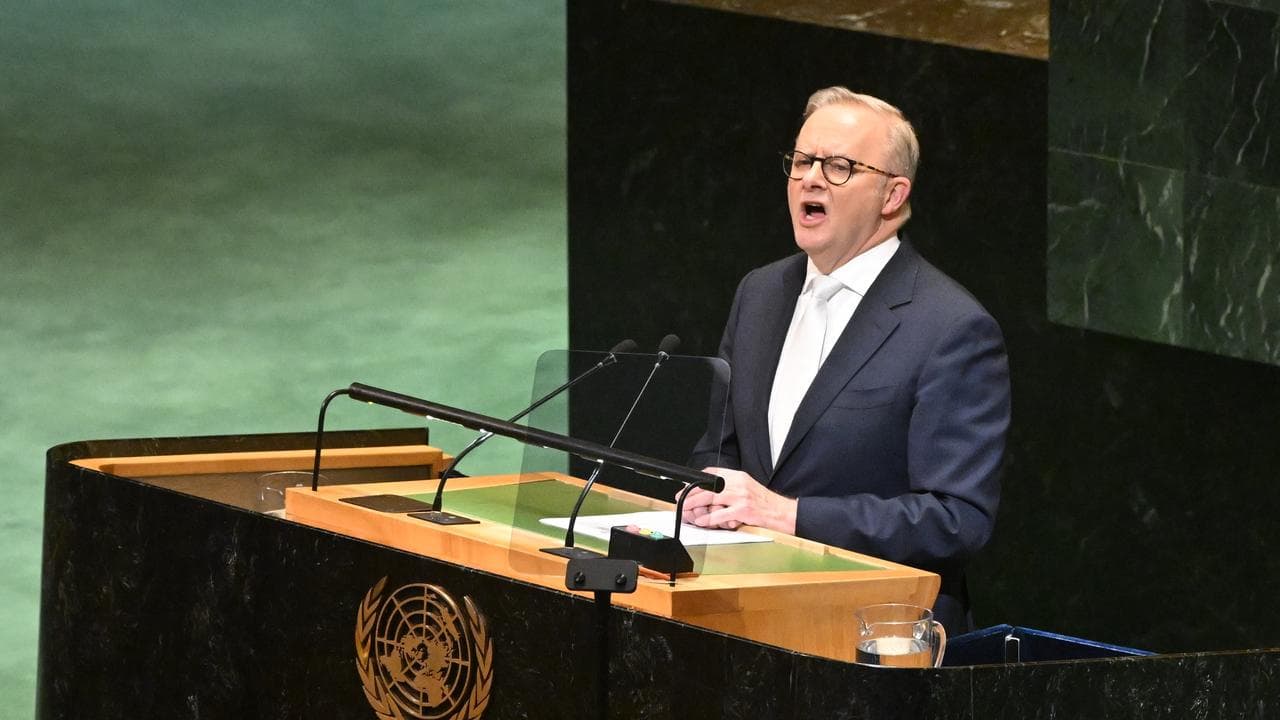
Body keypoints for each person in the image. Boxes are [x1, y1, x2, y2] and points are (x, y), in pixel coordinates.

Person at [683, 87, 1011, 634]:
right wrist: (704, 492)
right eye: (802, 161)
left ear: (892, 195)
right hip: (741, 615)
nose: (811, 179)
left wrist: (789, 515)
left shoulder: (952, 328)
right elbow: (721, 449)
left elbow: (957, 520)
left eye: (838, 167)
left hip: (874, 632)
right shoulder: (759, 293)